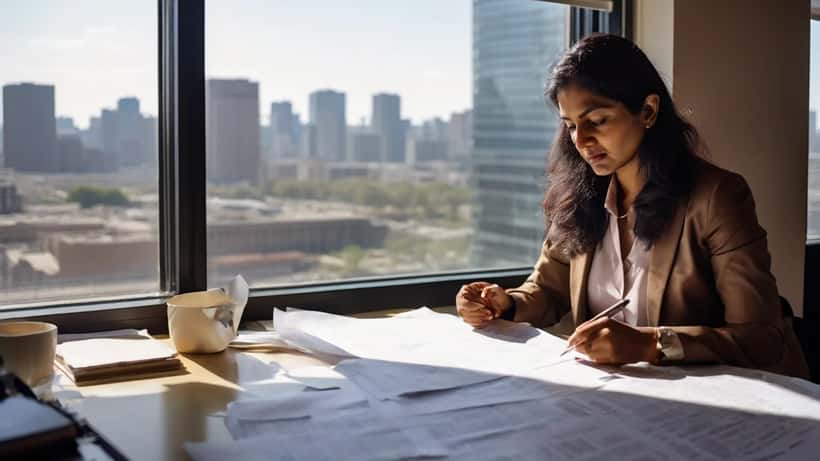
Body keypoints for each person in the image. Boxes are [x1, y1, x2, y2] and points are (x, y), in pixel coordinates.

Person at [456, 33, 809, 379]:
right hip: (617, 400)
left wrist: (651, 345)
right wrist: (504, 303)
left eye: (596, 121)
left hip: (722, 405)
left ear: (648, 110)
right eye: (570, 126)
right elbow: (548, 289)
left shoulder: (716, 197)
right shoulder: (576, 198)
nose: (581, 140)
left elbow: (760, 339)